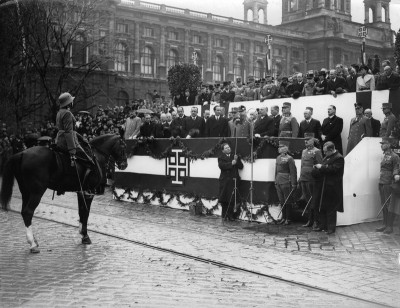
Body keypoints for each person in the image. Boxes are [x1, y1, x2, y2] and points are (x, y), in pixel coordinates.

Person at [55, 92, 95, 189]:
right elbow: (69, 132)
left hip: (59, 139)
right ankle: (84, 187)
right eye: (71, 101)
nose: (73, 102)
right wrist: (72, 150)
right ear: (69, 103)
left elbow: (66, 130)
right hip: (68, 141)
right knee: (90, 162)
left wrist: (81, 137)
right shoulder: (68, 113)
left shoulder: (60, 112)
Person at [312, 141, 344, 234]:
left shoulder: (339, 158)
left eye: (325, 151)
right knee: (322, 207)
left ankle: (331, 227)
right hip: (324, 186)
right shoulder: (327, 156)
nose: (324, 153)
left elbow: (333, 169)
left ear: (331, 150)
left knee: (331, 208)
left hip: (333, 187)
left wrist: (321, 167)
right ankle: (323, 225)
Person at [376, 138, 399, 233]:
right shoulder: (384, 156)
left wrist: (395, 176)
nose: (381, 145)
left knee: (389, 204)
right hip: (382, 182)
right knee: (383, 204)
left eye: (383, 144)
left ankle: (389, 226)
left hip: (389, 182)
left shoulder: (394, 156)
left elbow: (396, 167)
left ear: (389, 145)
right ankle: (384, 224)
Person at [299, 137, 323, 228]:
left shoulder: (317, 151)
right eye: (305, 141)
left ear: (312, 141)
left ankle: (316, 221)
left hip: (312, 179)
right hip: (304, 178)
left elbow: (320, 165)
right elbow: (302, 165)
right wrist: (300, 177)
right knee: (307, 200)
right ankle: (310, 220)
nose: (306, 142)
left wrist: (317, 177)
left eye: (308, 141)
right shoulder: (304, 151)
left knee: (313, 200)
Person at [218, 142, 243, 221]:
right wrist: (231, 163)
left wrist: (237, 160)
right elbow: (222, 166)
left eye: (228, 147)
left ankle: (231, 215)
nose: (228, 149)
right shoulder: (221, 157)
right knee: (224, 198)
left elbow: (241, 166)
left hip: (233, 180)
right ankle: (224, 214)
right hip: (225, 180)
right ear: (223, 150)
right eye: (226, 148)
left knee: (232, 198)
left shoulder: (234, 156)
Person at [275, 141, 297, 225]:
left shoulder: (290, 158)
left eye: (281, 147)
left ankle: (288, 218)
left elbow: (293, 171)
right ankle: (283, 217)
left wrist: (294, 183)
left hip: (286, 181)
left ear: (285, 149)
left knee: (287, 200)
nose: (279, 148)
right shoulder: (278, 157)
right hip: (278, 181)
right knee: (281, 200)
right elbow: (276, 170)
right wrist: (275, 180)